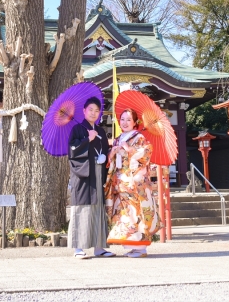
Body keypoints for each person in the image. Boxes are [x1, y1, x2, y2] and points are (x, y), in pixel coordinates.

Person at [104, 108, 160, 258]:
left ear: (135, 122)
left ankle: (141, 248)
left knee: (137, 214)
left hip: (134, 184)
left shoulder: (139, 137)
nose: (125, 122)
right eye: (122, 119)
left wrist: (129, 149)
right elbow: (112, 162)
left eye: (129, 119)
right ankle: (131, 246)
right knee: (124, 215)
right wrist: (113, 152)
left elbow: (146, 153)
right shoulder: (118, 138)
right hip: (120, 182)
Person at [68, 97, 113, 259]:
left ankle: (99, 247)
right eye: (91, 110)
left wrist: (106, 156)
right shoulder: (77, 129)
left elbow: (106, 150)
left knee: (98, 209)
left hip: (98, 174)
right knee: (82, 208)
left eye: (96, 110)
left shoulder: (100, 131)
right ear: (84, 111)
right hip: (83, 175)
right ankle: (78, 248)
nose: (94, 113)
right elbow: (72, 151)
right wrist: (88, 139)